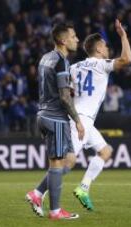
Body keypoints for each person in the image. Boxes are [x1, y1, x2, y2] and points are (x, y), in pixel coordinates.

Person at [70, 19, 131, 210]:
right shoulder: (102, 65)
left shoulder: (74, 68)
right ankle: (38, 193)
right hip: (82, 120)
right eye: (104, 45)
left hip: (81, 118)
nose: (107, 49)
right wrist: (123, 36)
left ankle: (83, 188)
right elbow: (127, 59)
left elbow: (68, 94)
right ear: (98, 49)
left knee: (105, 152)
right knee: (66, 163)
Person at [25, 22, 85, 220]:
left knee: (69, 159)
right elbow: (64, 97)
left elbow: (49, 86)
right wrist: (77, 120)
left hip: (43, 113)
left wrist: (66, 89)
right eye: (73, 36)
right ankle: (55, 211)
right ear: (62, 40)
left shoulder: (45, 58)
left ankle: (37, 193)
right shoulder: (61, 61)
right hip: (55, 117)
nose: (77, 39)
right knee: (57, 163)